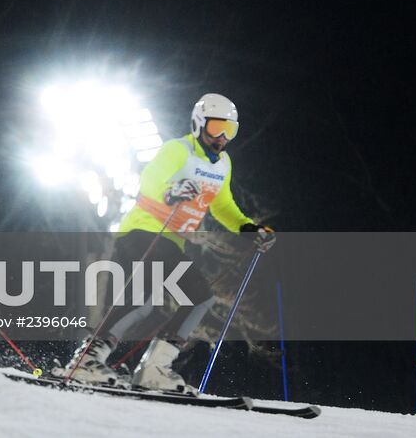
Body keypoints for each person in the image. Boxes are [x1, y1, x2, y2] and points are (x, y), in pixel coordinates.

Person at [61, 93, 276, 394]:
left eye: (231, 130)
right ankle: (101, 362)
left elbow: (222, 205)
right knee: (194, 296)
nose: (223, 137)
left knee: (154, 302)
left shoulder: (222, 164)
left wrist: (248, 228)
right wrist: (172, 191)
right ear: (199, 124)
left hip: (171, 242)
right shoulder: (179, 149)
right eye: (216, 128)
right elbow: (151, 179)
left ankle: (145, 368)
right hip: (144, 233)